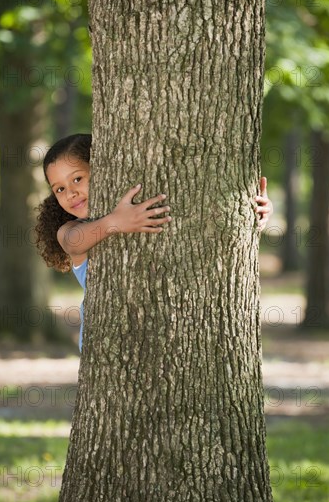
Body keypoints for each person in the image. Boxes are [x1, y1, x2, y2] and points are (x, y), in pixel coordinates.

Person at [35, 133, 273, 351]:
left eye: (77, 179)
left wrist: (253, 215)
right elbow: (71, 242)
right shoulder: (73, 229)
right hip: (108, 345)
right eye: (59, 189)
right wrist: (114, 222)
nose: (70, 193)